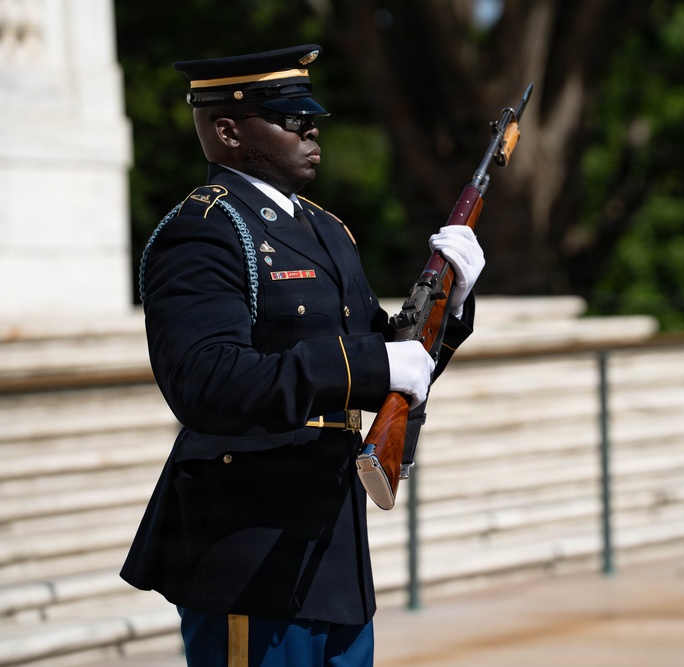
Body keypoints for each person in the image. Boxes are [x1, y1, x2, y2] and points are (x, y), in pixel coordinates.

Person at [120, 44, 485, 667]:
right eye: (290, 118)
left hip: (329, 544)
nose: (310, 127)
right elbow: (206, 381)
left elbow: (394, 360)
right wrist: (370, 366)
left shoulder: (326, 228)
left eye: (310, 116)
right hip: (246, 540)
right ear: (228, 131)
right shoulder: (204, 229)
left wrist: (449, 308)